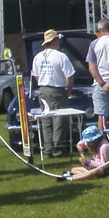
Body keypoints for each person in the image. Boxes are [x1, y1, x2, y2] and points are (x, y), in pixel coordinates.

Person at [31, 29, 75, 157]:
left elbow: (36, 76)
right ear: (55, 41)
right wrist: (69, 90)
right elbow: (70, 76)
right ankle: (58, 149)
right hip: (57, 90)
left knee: (46, 120)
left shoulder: (38, 57)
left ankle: (47, 149)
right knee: (59, 119)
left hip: (42, 89)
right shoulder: (61, 56)